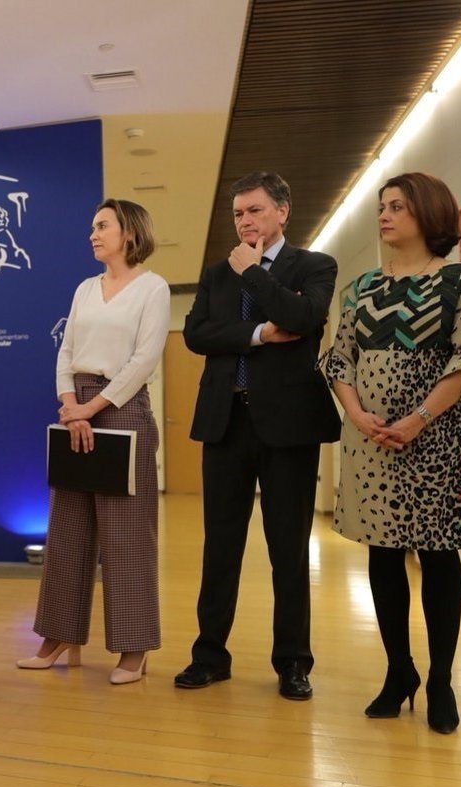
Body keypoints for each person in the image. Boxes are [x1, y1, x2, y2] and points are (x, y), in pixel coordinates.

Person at [324, 172, 461, 734]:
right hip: (372, 440)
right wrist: (356, 413)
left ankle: (441, 680)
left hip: (437, 438)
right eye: (382, 206)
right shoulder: (361, 287)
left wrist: (418, 418)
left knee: (439, 556)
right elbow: (338, 360)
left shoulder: (455, 279)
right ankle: (400, 671)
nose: (385, 215)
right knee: (383, 553)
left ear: (428, 212)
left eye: (397, 206)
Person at [176, 171, 341, 700]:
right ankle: (209, 655)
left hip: (289, 427)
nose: (244, 221)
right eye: (238, 213)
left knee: (287, 549)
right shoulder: (215, 274)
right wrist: (260, 334)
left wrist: (253, 273)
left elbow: (303, 316)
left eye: (254, 210)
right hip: (226, 422)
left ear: (282, 212)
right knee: (220, 546)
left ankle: (293, 662)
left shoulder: (314, 266)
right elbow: (197, 334)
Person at [17, 199, 169, 684]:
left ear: (130, 233)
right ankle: (57, 636)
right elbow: (66, 352)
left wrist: (92, 407)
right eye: (92, 226)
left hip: (123, 410)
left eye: (102, 226)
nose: (93, 234)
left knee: (127, 535)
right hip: (76, 409)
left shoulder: (153, 288)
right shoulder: (85, 288)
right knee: (67, 531)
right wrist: (71, 405)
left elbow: (144, 359)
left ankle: (134, 647)